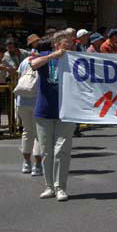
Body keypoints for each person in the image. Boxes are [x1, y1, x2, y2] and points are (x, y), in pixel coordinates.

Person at [32, 31, 75, 201]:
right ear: (56, 44)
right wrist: (53, 56)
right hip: (44, 111)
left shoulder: (76, 59)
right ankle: (49, 186)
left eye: (70, 43)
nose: (69, 46)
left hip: (67, 112)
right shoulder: (45, 55)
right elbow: (34, 64)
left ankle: (60, 187)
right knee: (47, 151)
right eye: (65, 43)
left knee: (62, 151)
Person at [15, 40, 43, 176]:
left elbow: (20, 78)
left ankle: (26, 163)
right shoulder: (43, 60)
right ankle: (37, 165)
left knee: (27, 131)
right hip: (37, 101)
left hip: (22, 101)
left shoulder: (24, 61)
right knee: (38, 134)